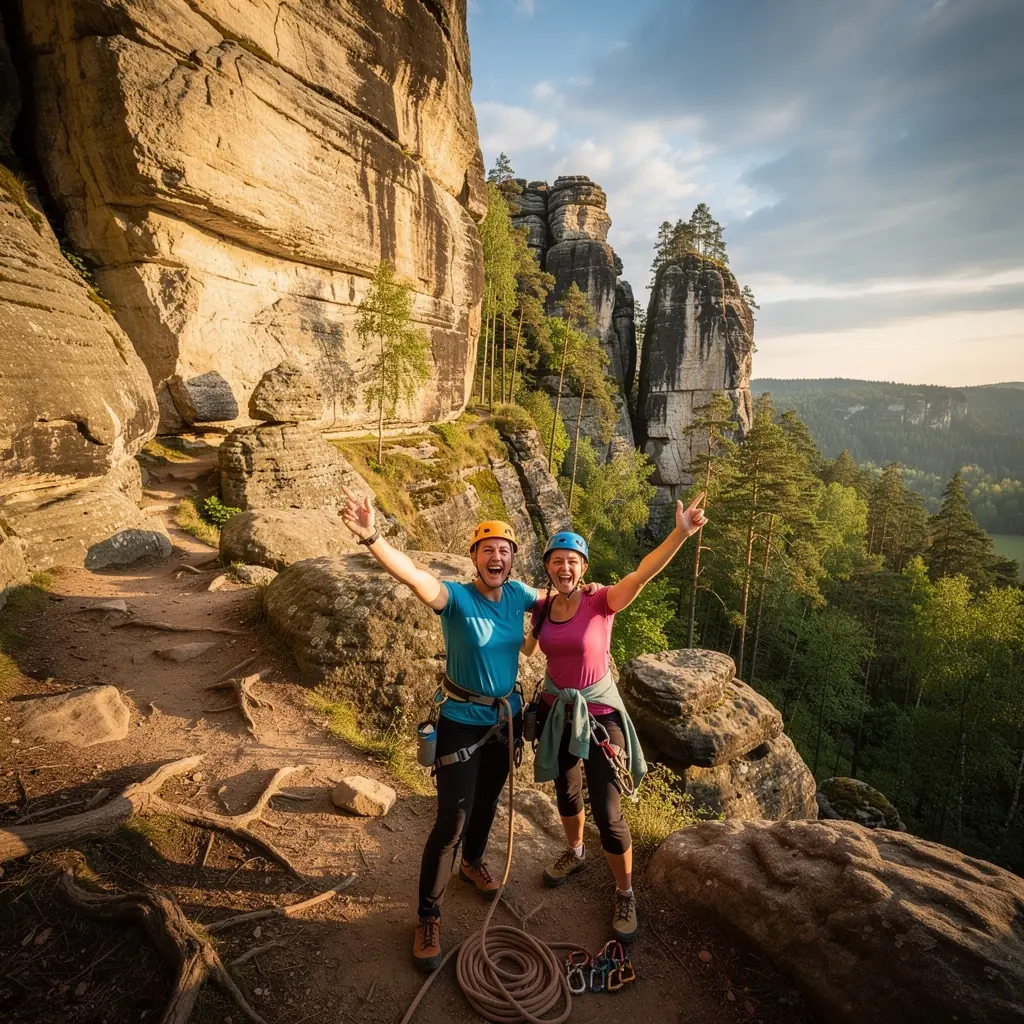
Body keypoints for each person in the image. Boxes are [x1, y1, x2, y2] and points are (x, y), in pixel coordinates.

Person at [339, 492, 541, 971]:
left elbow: (564, 593)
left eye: (505, 550)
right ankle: (428, 914)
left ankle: (473, 862)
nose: (497, 556)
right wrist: (372, 536)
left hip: (504, 719)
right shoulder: (455, 597)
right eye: (488, 550)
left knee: (488, 801)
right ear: (474, 558)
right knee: (450, 819)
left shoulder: (520, 596)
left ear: (513, 560)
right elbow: (412, 574)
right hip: (460, 723)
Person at [522, 493, 707, 942]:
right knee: (566, 792)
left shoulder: (600, 601)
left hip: (600, 714)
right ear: (547, 566)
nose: (564, 569)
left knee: (607, 810)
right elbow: (521, 635)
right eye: (556, 561)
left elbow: (642, 573)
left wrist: (679, 533)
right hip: (556, 708)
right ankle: (575, 850)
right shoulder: (543, 607)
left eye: (572, 562)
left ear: (583, 568)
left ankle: (625, 891)